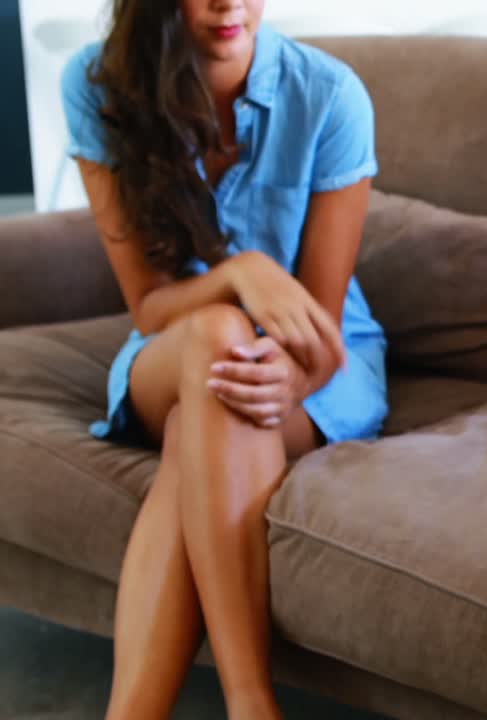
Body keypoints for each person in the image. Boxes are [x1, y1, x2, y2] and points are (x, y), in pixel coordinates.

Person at [61, 0, 386, 717]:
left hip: (317, 362)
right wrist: (243, 275)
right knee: (213, 338)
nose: (227, 3)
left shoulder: (330, 96)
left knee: (202, 418)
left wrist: (290, 374)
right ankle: (251, 704)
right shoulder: (97, 87)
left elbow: (322, 330)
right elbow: (150, 306)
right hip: (169, 347)